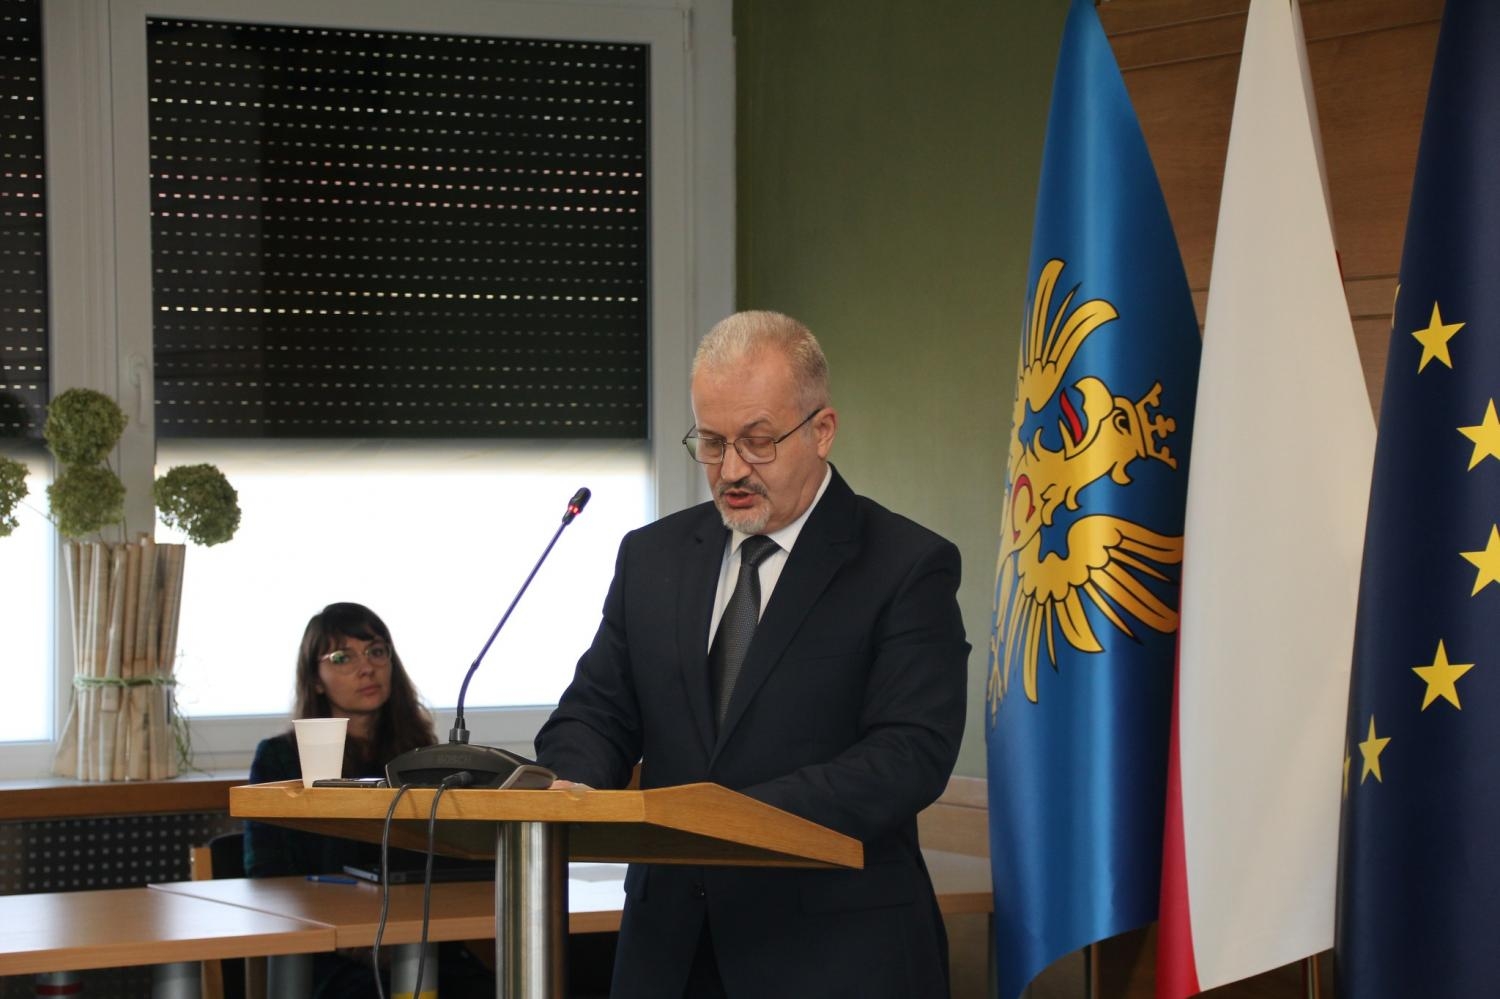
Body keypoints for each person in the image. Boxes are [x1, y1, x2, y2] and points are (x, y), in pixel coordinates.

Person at [536, 310, 970, 998]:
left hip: (832, 956)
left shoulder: (905, 564)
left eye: (758, 441)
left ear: (822, 430)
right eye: (711, 442)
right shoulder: (651, 557)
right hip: (668, 955)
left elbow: (909, 753)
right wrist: (572, 782)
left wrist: (726, 818)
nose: (732, 469)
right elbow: (597, 711)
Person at [244, 601, 491, 999]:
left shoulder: (421, 757)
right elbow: (266, 874)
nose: (367, 668)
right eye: (343, 658)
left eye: (376, 651)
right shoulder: (280, 758)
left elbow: (440, 859)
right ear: (316, 679)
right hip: (323, 947)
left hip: (419, 938)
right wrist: (346, 934)